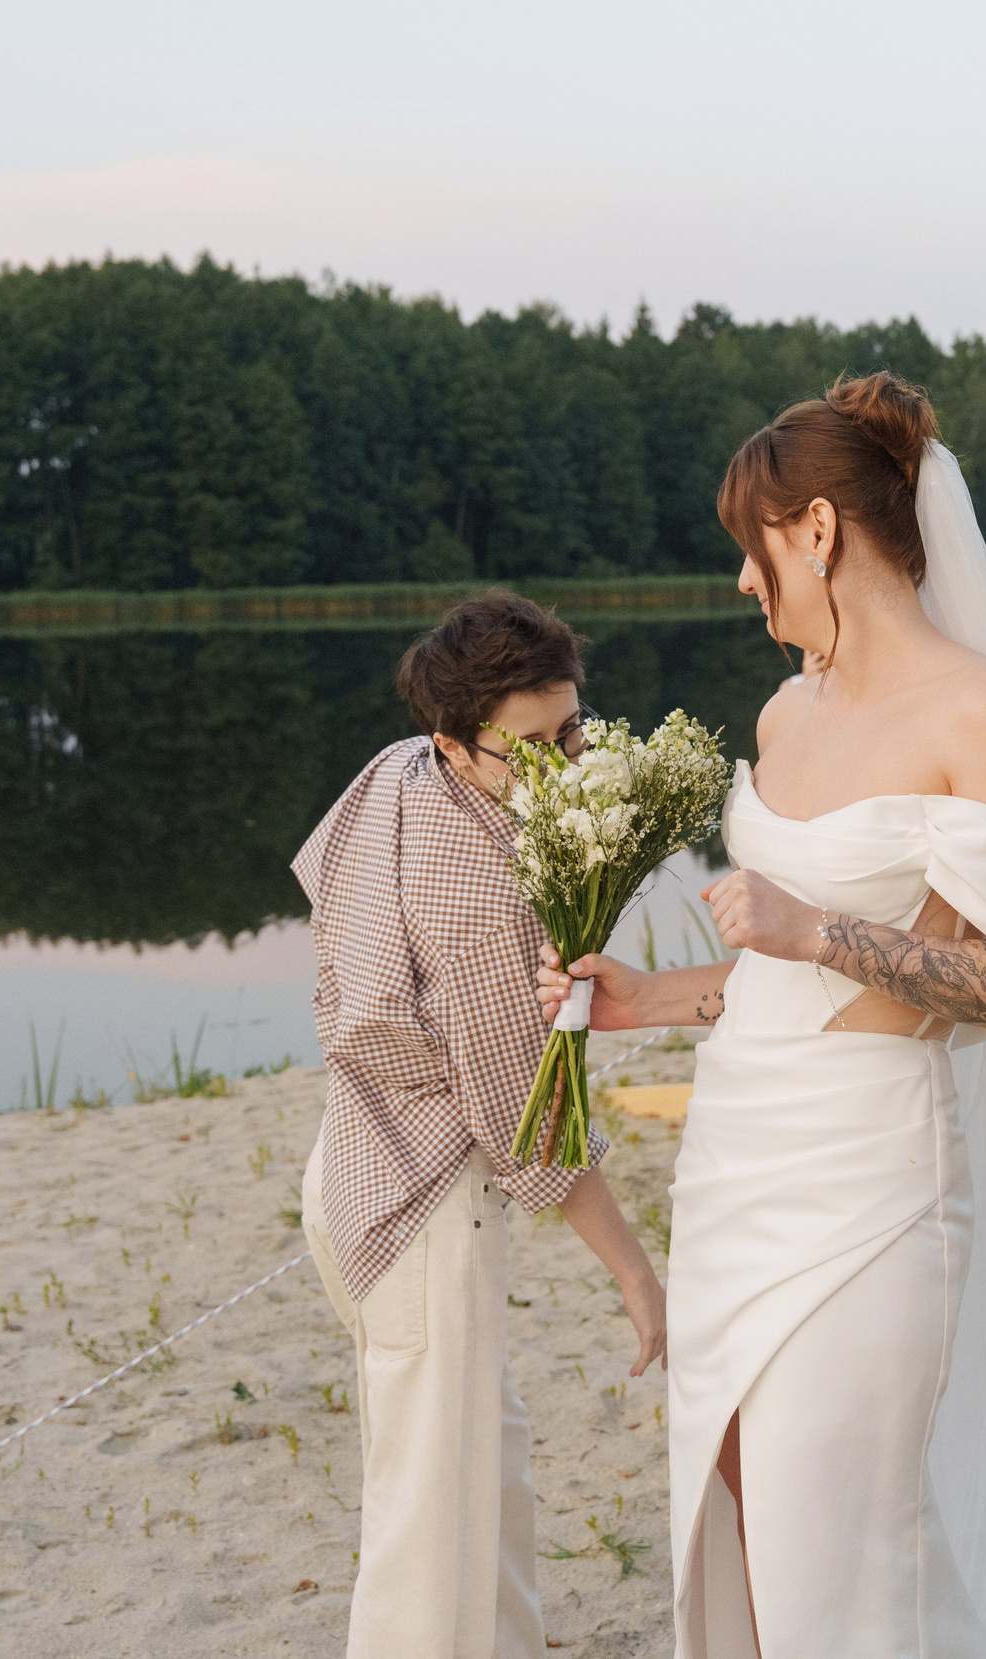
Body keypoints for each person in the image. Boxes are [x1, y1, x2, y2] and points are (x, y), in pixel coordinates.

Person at [536, 373, 986, 1656]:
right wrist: (650, 999)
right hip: (742, 1151)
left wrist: (818, 928)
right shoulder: (788, 711)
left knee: (836, 1537)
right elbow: (778, 978)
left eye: (753, 548)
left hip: (871, 1171)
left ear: (821, 532)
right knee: (729, 1493)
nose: (745, 583)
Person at [292, 591, 667, 1659]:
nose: (561, 765)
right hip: (422, 1209)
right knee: (430, 1516)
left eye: (573, 733)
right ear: (453, 744)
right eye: (530, 749)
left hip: (350, 1166)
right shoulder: (485, 884)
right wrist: (637, 1273)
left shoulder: (393, 776)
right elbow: (524, 1115)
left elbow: (324, 876)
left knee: (479, 1466)